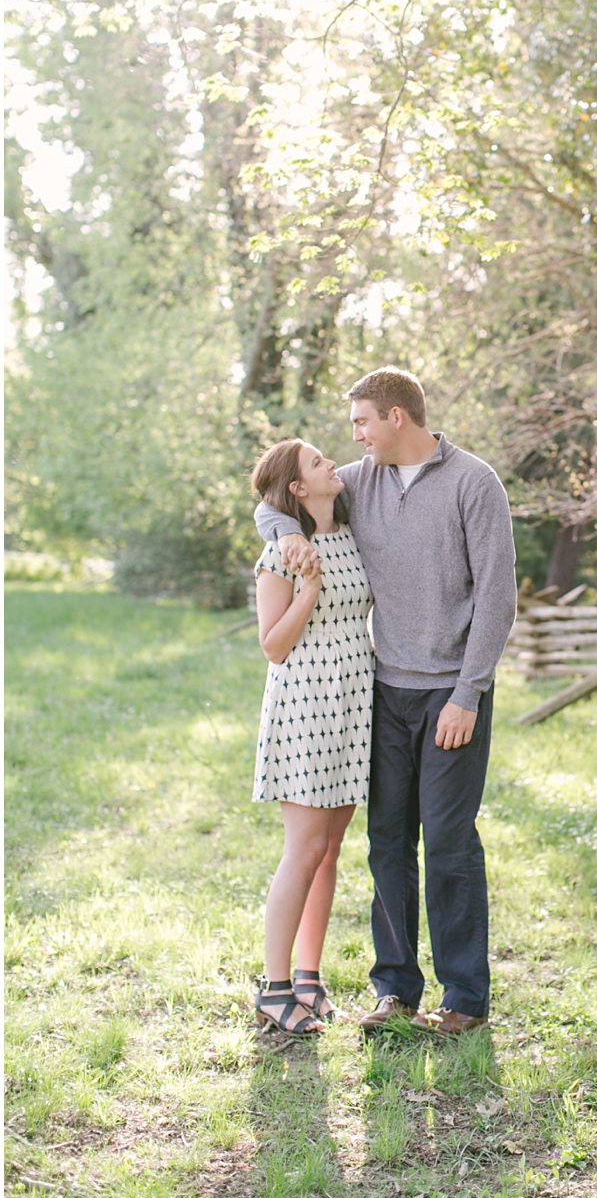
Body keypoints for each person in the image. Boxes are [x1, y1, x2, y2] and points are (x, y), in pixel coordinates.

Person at [257, 367, 516, 1036]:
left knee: (450, 844)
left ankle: (464, 999)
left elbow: (497, 596)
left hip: (452, 696)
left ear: (396, 417)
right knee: (388, 841)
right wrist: (278, 532)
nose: (355, 437)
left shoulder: (473, 482)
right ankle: (395, 989)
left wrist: (469, 692)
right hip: (383, 693)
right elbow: (279, 493)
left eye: (363, 422)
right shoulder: (358, 482)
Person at [249, 439, 373, 1036]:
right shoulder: (280, 554)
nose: (333, 464)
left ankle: (308, 977)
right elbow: (273, 645)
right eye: (318, 462)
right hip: (305, 705)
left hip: (354, 705)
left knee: (330, 851)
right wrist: (307, 595)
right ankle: (273, 990)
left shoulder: (348, 531)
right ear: (298, 489)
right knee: (303, 848)